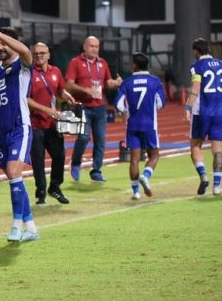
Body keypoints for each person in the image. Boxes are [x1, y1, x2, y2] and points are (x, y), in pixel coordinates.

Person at [0, 24, 39, 242]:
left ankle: (16, 226)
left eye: (3, 42)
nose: (0, 46)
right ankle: (31, 228)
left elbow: (25, 51)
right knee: (15, 179)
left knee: (14, 173)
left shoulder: (22, 65)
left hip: (19, 128)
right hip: (0, 133)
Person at [65, 36, 123, 183]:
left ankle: (96, 171)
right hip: (83, 106)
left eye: (97, 46)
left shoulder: (102, 63)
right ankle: (76, 164)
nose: (94, 49)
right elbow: (68, 85)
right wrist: (86, 90)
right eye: (91, 46)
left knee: (101, 140)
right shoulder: (75, 62)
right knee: (84, 138)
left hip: (99, 107)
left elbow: (107, 82)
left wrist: (115, 83)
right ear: (84, 47)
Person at [27, 42, 74, 205]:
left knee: (59, 155)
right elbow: (25, 99)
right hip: (35, 123)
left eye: (42, 53)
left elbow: (59, 90)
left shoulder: (56, 71)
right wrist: (46, 110)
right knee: (38, 159)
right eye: (36, 53)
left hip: (53, 123)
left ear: (48, 55)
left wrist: (65, 94)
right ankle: (41, 192)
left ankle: (55, 187)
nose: (39, 55)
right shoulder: (28, 73)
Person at [115, 53, 166, 200]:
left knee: (134, 160)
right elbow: (161, 104)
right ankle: (146, 175)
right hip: (150, 125)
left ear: (134, 65)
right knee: (154, 155)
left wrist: (128, 110)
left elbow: (119, 105)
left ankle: (136, 192)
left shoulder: (127, 83)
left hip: (133, 125)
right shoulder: (155, 82)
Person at [185, 38, 222, 196]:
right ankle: (217, 186)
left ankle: (203, 175)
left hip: (202, 112)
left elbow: (196, 86)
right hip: (219, 112)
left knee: (195, 146)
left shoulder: (197, 66)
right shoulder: (221, 63)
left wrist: (187, 105)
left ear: (197, 52)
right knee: (218, 151)